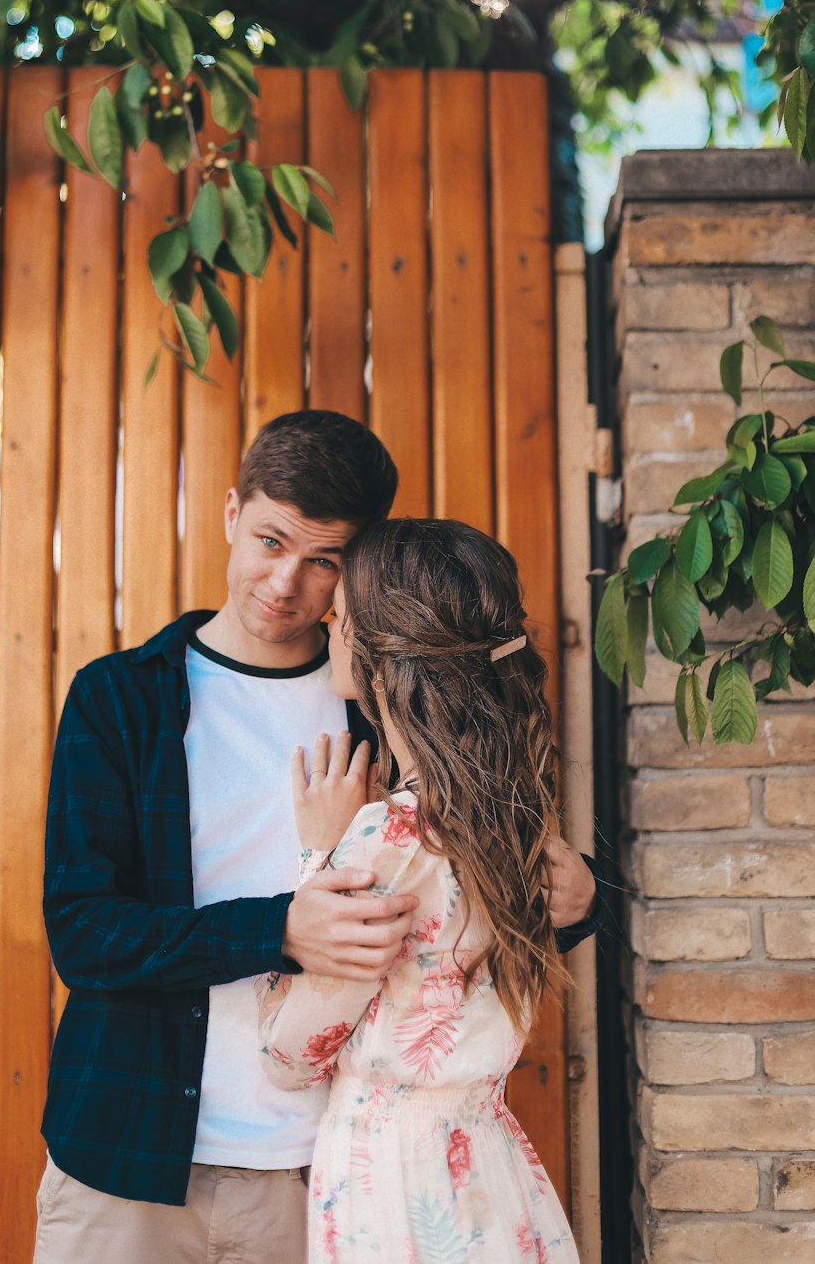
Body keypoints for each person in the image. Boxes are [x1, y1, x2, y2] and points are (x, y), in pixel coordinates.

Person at [34, 411, 600, 1263]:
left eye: (324, 560)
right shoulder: (122, 697)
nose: (285, 583)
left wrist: (580, 896)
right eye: (269, 541)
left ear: (357, 570)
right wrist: (279, 928)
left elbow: (469, 882)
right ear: (232, 512)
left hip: (325, 1177)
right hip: (128, 1164)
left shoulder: (382, 706)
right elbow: (83, 933)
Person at [256, 518, 582, 1262]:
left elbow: (289, 1053)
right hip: (491, 1168)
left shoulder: (389, 843)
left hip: (398, 1184)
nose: (329, 625)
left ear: (379, 661)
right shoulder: (521, 820)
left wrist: (321, 853)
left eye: (343, 617)